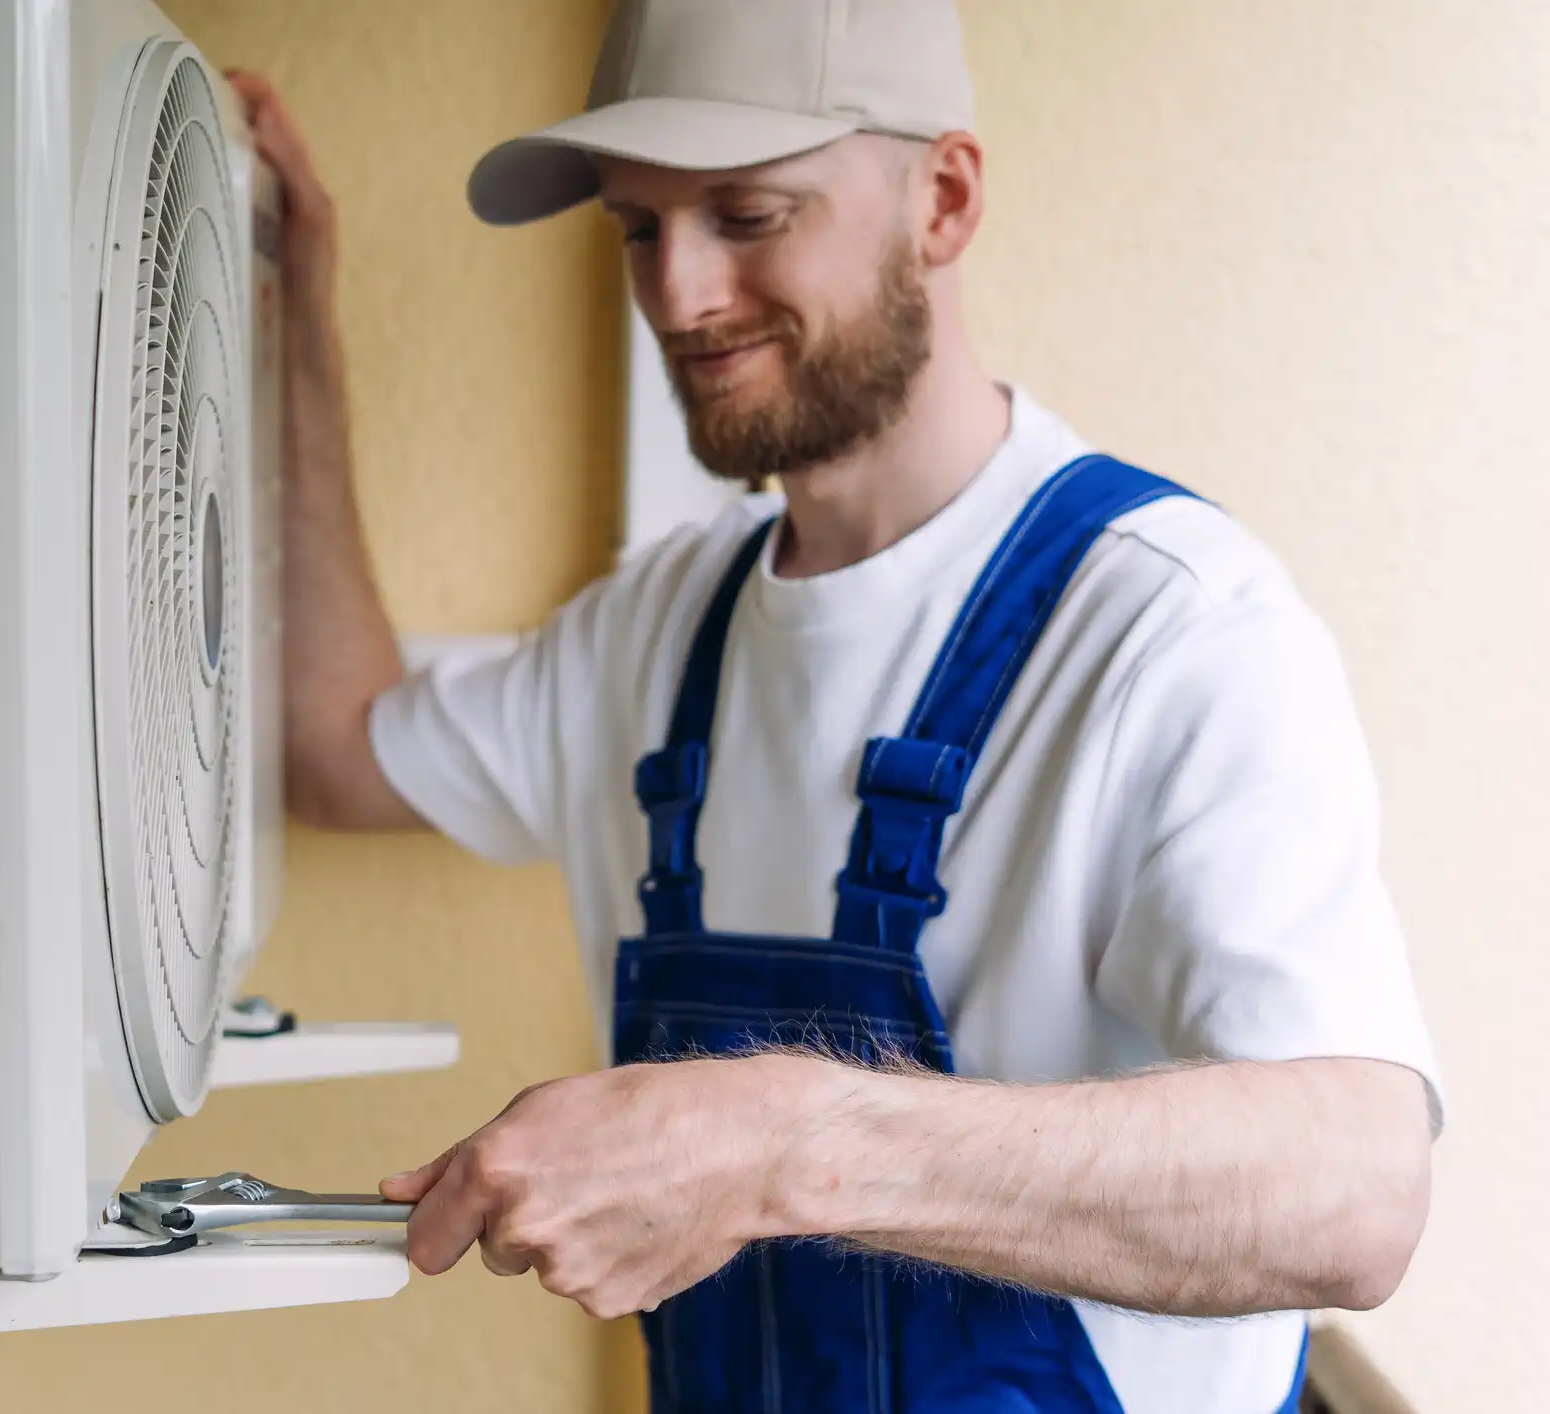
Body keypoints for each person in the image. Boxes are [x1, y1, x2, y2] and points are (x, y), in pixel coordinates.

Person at [230, 0, 1443, 1408]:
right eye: (638, 226)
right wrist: (292, 313)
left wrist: (779, 1136)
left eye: (748, 215)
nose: (677, 293)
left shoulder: (1167, 626)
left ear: (943, 198)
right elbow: (333, 747)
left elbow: (1359, 1192)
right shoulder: (660, 628)